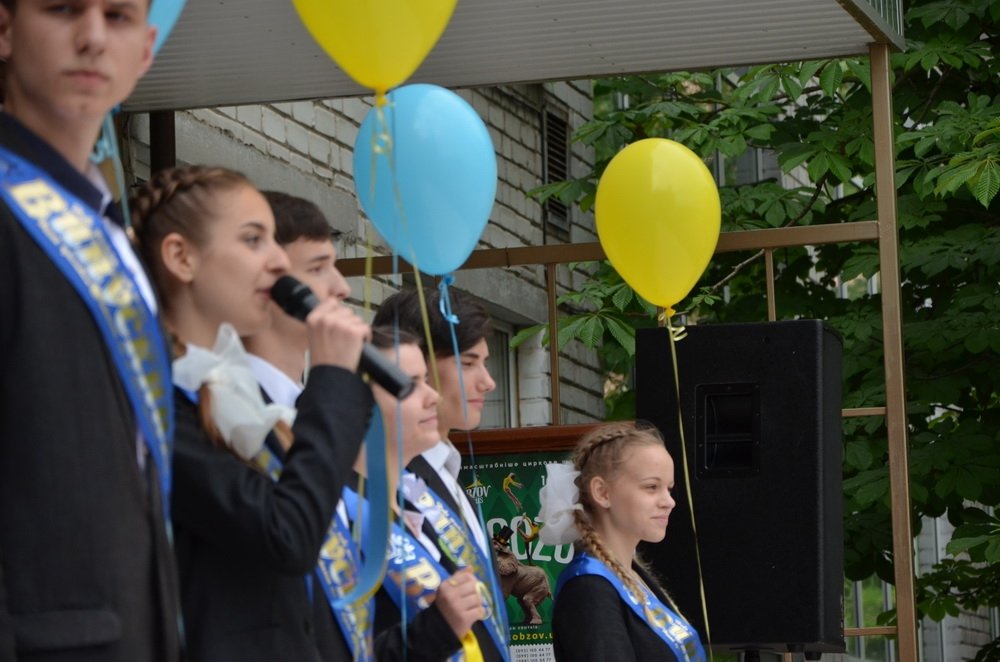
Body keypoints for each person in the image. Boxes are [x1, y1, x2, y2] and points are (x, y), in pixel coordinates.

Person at [130, 165, 374, 661]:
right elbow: (287, 534)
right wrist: (330, 381)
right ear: (181, 256)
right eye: (253, 239)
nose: (278, 261)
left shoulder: (231, 390)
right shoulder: (158, 400)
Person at [0, 1, 181, 659]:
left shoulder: (109, 232)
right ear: (4, 28)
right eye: (63, 8)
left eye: (118, 15)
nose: (92, 36)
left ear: (147, 49)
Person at [240, 190, 358, 659]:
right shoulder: (224, 412)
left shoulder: (318, 405)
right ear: (266, 281)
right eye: (316, 268)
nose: (340, 287)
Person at [372, 287, 508, 661]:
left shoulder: (445, 472)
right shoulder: (379, 482)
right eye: (468, 363)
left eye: (486, 362)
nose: (488, 381)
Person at [351, 327, 484, 661]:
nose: (433, 396)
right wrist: (438, 627)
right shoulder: (337, 513)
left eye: (426, 380)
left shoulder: (418, 495)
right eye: (408, 385)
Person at [538, 423, 706, 662]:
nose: (669, 501)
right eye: (651, 487)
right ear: (602, 492)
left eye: (669, 489)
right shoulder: (589, 588)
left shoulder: (631, 575)